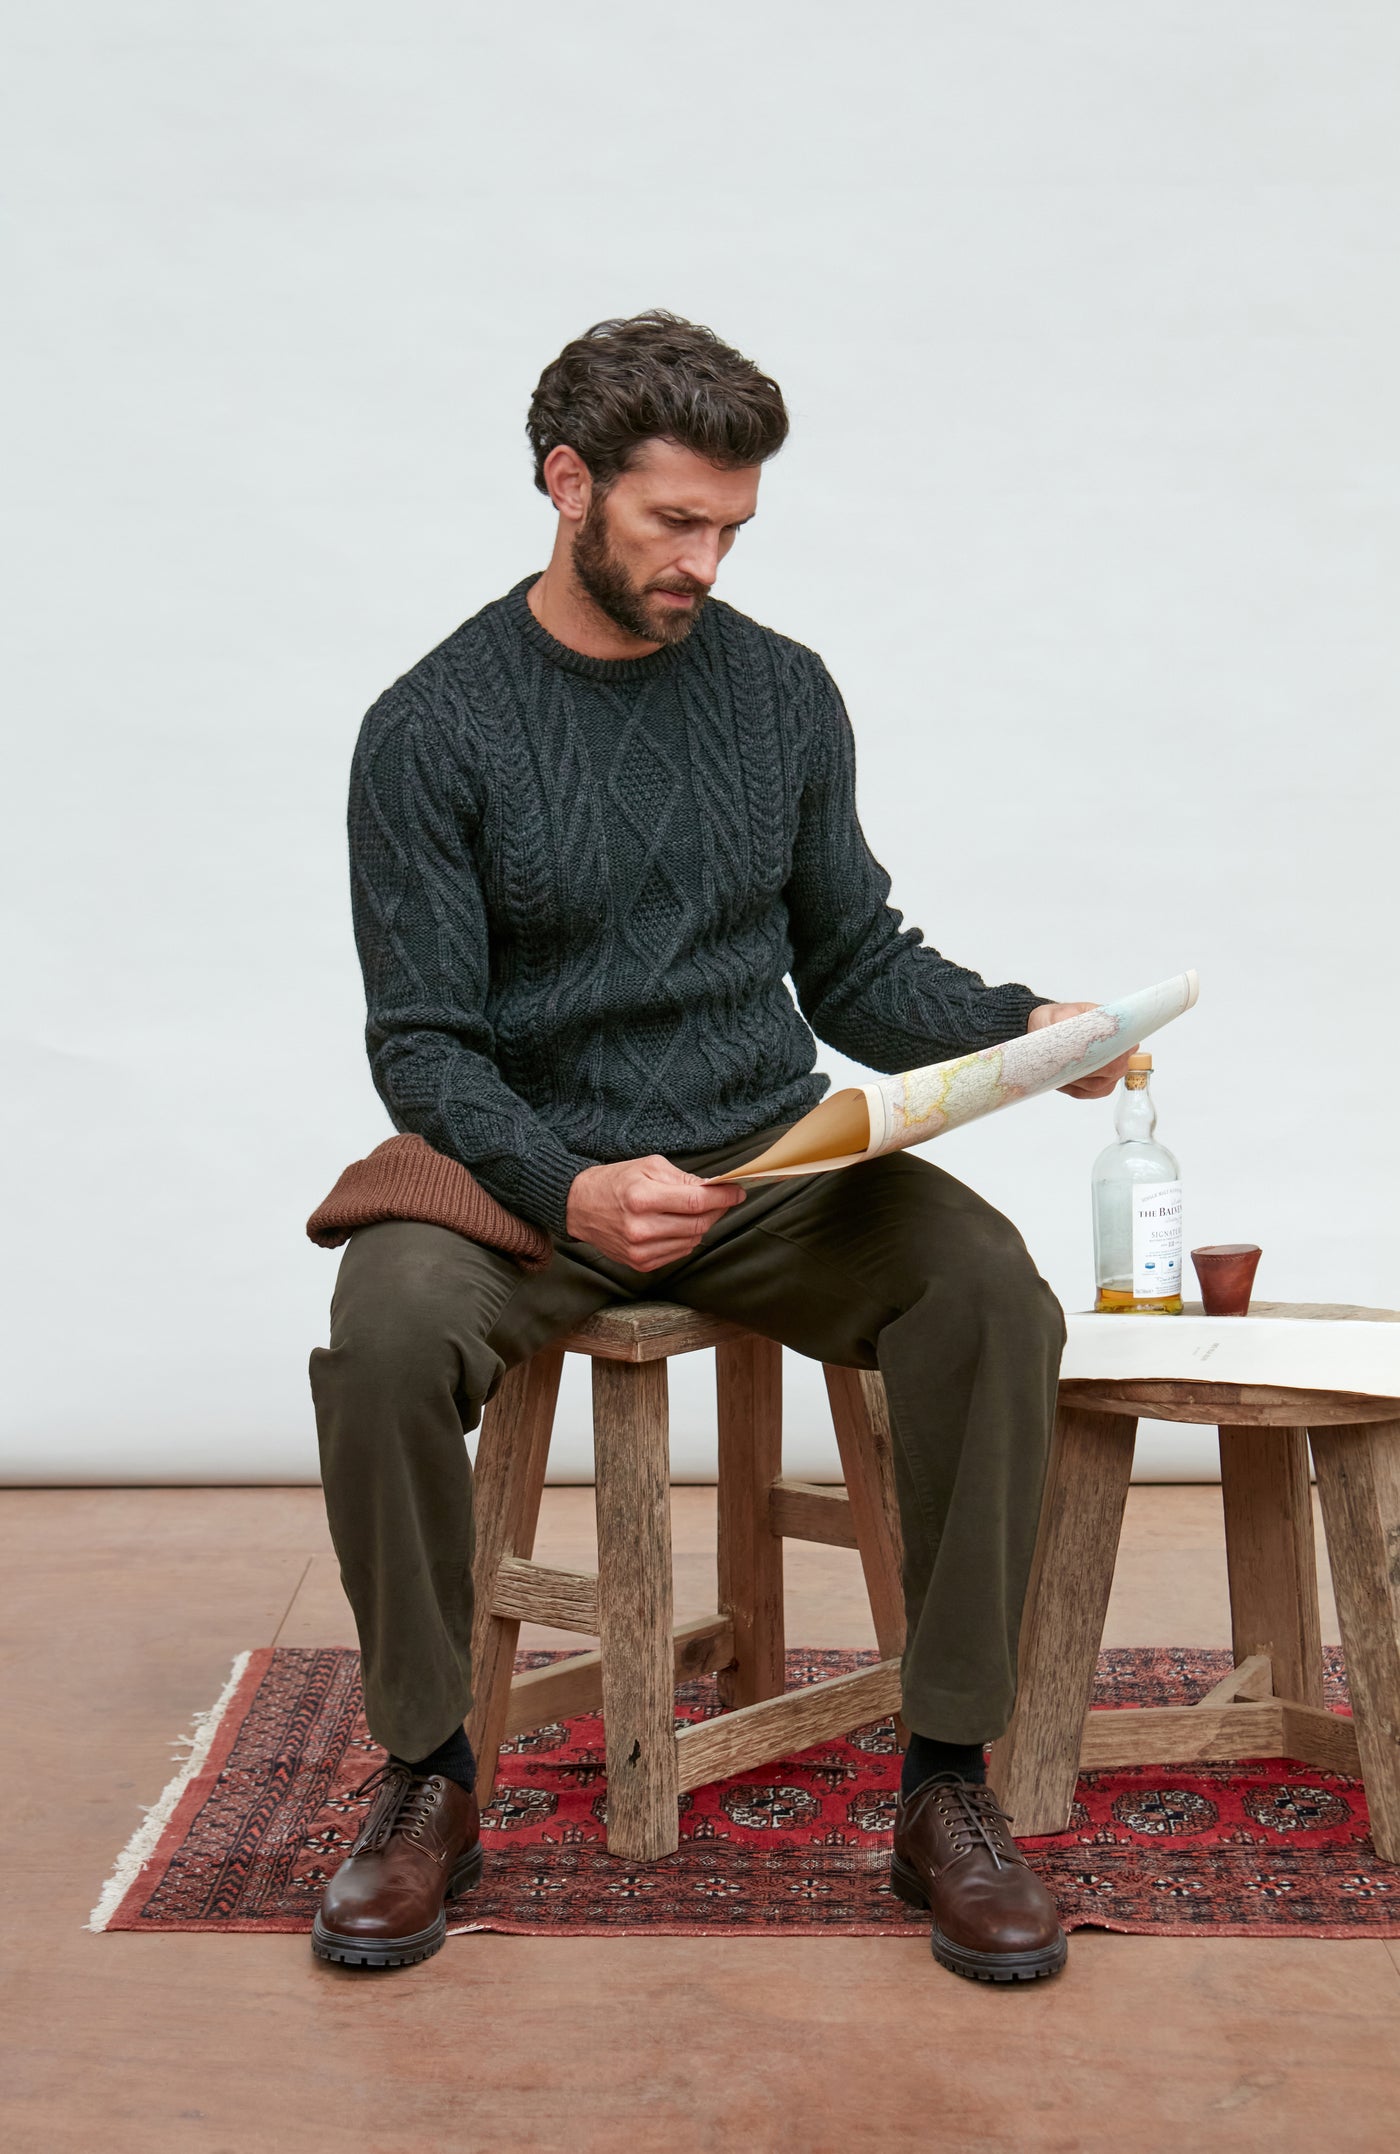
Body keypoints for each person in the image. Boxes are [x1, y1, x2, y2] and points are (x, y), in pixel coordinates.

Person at [309, 309, 1130, 1979]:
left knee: (993, 1292)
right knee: (382, 1330)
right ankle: (426, 1777)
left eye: (731, 526)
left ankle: (946, 1783)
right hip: (517, 1179)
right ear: (565, 483)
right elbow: (422, 1044)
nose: (704, 558)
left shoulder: (781, 694)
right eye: (673, 520)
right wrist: (566, 1187)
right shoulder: (431, 727)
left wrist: (1017, 1022)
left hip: (766, 1165)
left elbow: (853, 962)